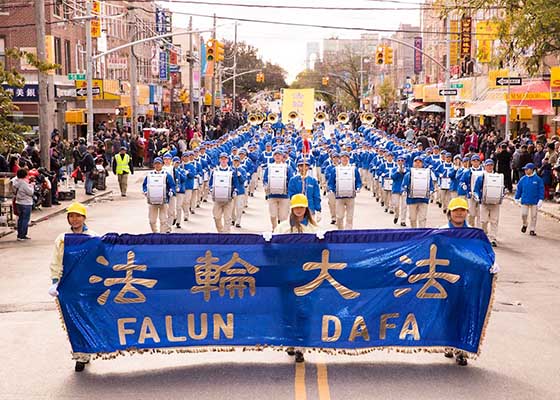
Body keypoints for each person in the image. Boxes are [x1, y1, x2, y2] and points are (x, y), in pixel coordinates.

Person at [48, 202, 98, 372]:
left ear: (84, 218)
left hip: (87, 284)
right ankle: (80, 353)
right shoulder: (62, 239)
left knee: (86, 318)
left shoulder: (93, 237)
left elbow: (99, 261)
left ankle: (85, 351)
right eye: (71, 216)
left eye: (78, 216)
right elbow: (56, 261)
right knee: (73, 320)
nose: (74, 219)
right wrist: (55, 281)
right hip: (68, 286)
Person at [274, 194, 320, 363]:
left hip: (307, 278)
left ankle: (301, 346)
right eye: (296, 207)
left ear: (307, 208)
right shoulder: (283, 228)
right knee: (288, 310)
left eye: (302, 207)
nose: (299, 210)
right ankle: (290, 342)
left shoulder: (314, 230)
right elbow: (273, 251)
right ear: (292, 208)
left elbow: (322, 251)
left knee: (304, 311)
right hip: (286, 276)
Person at [473, 159, 504, 246]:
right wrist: (477, 196)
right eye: (488, 165)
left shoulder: (498, 177)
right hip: (484, 202)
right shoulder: (481, 177)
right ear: (485, 166)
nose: (489, 167)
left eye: (491, 165)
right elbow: (476, 189)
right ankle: (484, 235)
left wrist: (501, 195)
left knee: (494, 220)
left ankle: (493, 238)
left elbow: (501, 188)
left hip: (495, 203)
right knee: (483, 221)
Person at [328, 151, 362, 230]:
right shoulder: (335, 169)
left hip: (350, 196)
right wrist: (330, 189)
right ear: (340, 159)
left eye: (346, 157)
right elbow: (331, 182)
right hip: (339, 196)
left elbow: (358, 181)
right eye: (343, 157)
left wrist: (358, 187)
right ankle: (340, 231)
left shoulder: (354, 169)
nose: (344, 159)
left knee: (350, 217)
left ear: (349, 158)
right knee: (339, 216)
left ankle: (348, 232)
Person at [142, 157, 176, 233]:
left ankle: (162, 236)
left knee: (163, 220)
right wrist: (145, 191)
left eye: (159, 163)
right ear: (154, 165)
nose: (157, 165)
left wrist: (171, 191)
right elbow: (144, 185)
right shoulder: (149, 175)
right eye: (156, 163)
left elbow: (172, 185)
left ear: (162, 164)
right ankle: (155, 233)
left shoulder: (166, 175)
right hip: (152, 201)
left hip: (163, 201)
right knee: (152, 220)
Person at [514, 163, 545, 236]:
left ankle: (532, 229)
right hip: (525, 200)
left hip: (534, 200)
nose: (525, 171)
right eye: (525, 169)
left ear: (531, 170)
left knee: (534, 216)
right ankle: (525, 224)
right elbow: (519, 189)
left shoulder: (538, 179)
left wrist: (541, 199)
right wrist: (516, 197)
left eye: (527, 169)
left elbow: (541, 189)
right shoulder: (523, 179)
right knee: (524, 214)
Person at [11, 168, 34, 241]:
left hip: (18, 202)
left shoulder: (16, 182)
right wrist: (32, 185)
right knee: (25, 219)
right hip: (26, 203)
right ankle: (22, 235)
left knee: (20, 219)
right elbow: (30, 192)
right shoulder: (24, 183)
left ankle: (19, 234)